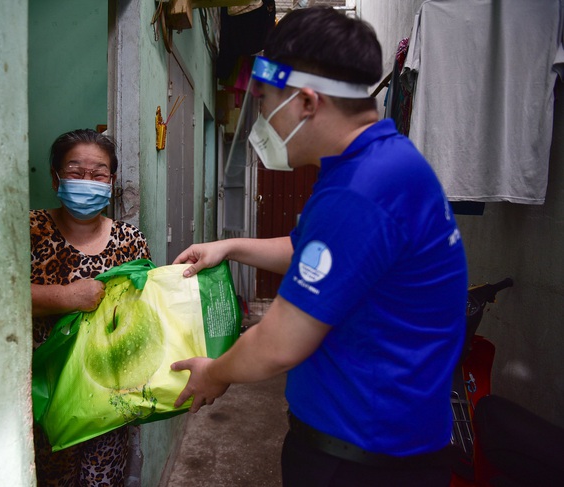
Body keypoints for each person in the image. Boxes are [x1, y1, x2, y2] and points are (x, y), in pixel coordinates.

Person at [171, 7, 467, 487]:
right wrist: (228, 246)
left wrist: (216, 372)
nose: (261, 118)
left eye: (265, 101)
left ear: (306, 102)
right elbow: (311, 251)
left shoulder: (361, 190)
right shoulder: (378, 163)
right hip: (379, 445)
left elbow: (279, 343)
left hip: (362, 458)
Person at [30, 128, 152, 486]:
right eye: (76, 172)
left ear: (111, 181)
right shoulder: (30, 230)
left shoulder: (131, 241)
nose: (88, 181)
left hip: (107, 399)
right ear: (55, 176)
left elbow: (145, 315)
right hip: (45, 395)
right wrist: (66, 298)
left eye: (98, 174)